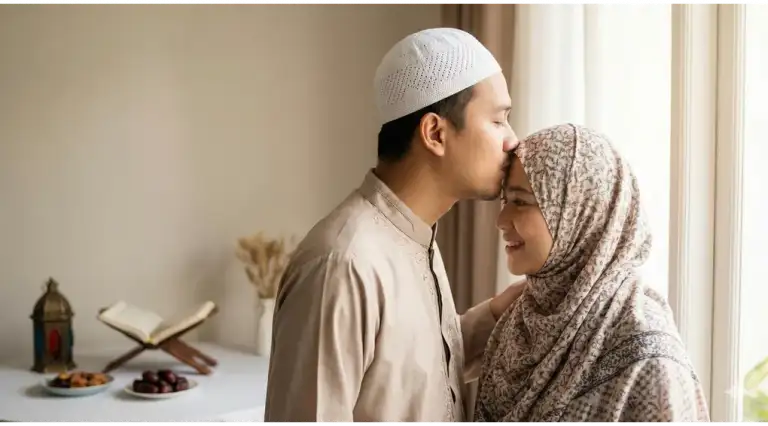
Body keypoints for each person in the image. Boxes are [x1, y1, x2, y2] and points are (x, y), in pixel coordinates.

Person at [263, 28, 523, 423]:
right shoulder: (342, 265)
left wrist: (493, 319)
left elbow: (404, 376)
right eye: (499, 121)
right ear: (435, 133)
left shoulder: (413, 235)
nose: (513, 141)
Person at [474, 123, 711, 423]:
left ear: (579, 212)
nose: (501, 220)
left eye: (520, 202)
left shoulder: (647, 355)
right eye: (506, 200)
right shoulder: (517, 324)